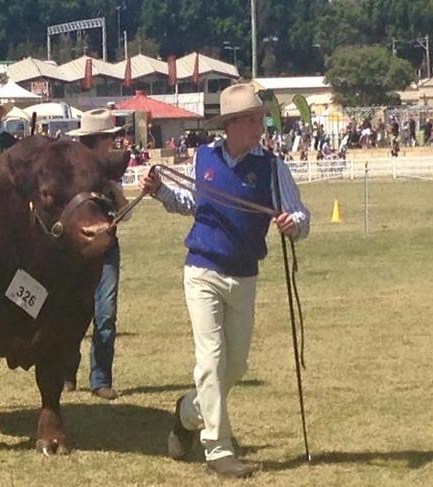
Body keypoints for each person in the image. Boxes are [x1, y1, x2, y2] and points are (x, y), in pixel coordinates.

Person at [139, 83, 311, 478]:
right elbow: (189, 203)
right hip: (201, 270)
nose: (259, 124)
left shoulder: (272, 167)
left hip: (244, 275)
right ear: (231, 125)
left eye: (259, 118)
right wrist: (161, 191)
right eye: (250, 119)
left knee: (233, 368)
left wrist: (292, 224)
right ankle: (218, 449)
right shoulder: (203, 159)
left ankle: (186, 414)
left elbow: (300, 216)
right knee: (211, 360)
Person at [64, 109, 126, 400]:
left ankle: (100, 378)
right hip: (77, 250)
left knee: (105, 313)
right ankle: (66, 371)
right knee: (72, 311)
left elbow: (124, 213)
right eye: (108, 138)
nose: (112, 144)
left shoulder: (110, 173)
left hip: (107, 249)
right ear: (98, 140)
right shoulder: (72, 173)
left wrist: (112, 187)